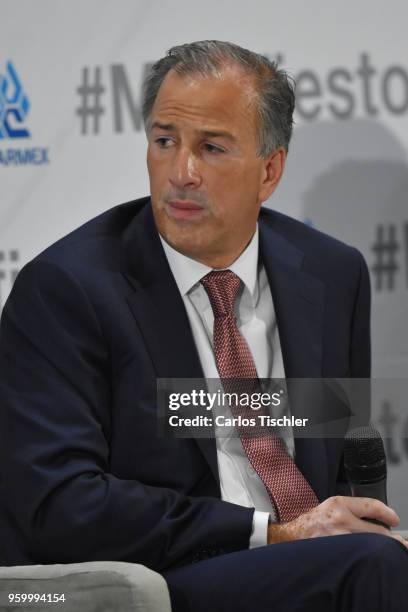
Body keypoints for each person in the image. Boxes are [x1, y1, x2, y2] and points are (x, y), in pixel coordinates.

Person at [0, 40, 407, 611]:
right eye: (165, 141)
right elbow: (59, 503)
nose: (182, 173)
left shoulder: (332, 276)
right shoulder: (69, 289)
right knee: (373, 567)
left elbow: (342, 456)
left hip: (316, 564)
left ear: (270, 170)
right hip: (167, 576)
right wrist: (271, 531)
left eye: (211, 148)